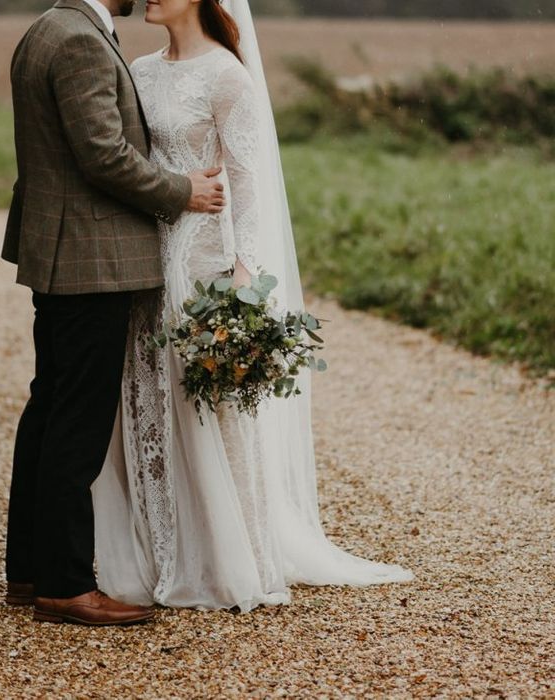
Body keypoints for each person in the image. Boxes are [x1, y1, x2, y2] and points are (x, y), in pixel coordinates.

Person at [92, 0, 415, 611]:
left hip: (203, 263)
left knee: (207, 409)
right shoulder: (137, 68)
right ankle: (160, 548)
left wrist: (243, 278)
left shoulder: (227, 75)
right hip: (144, 261)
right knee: (149, 401)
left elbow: (249, 184)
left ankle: (229, 556)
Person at [1, 0, 226, 626]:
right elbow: (103, 154)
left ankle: (29, 568)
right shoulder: (76, 38)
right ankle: (66, 583)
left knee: (49, 407)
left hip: (66, 252)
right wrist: (185, 192)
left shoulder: (50, 27)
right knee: (77, 417)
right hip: (89, 259)